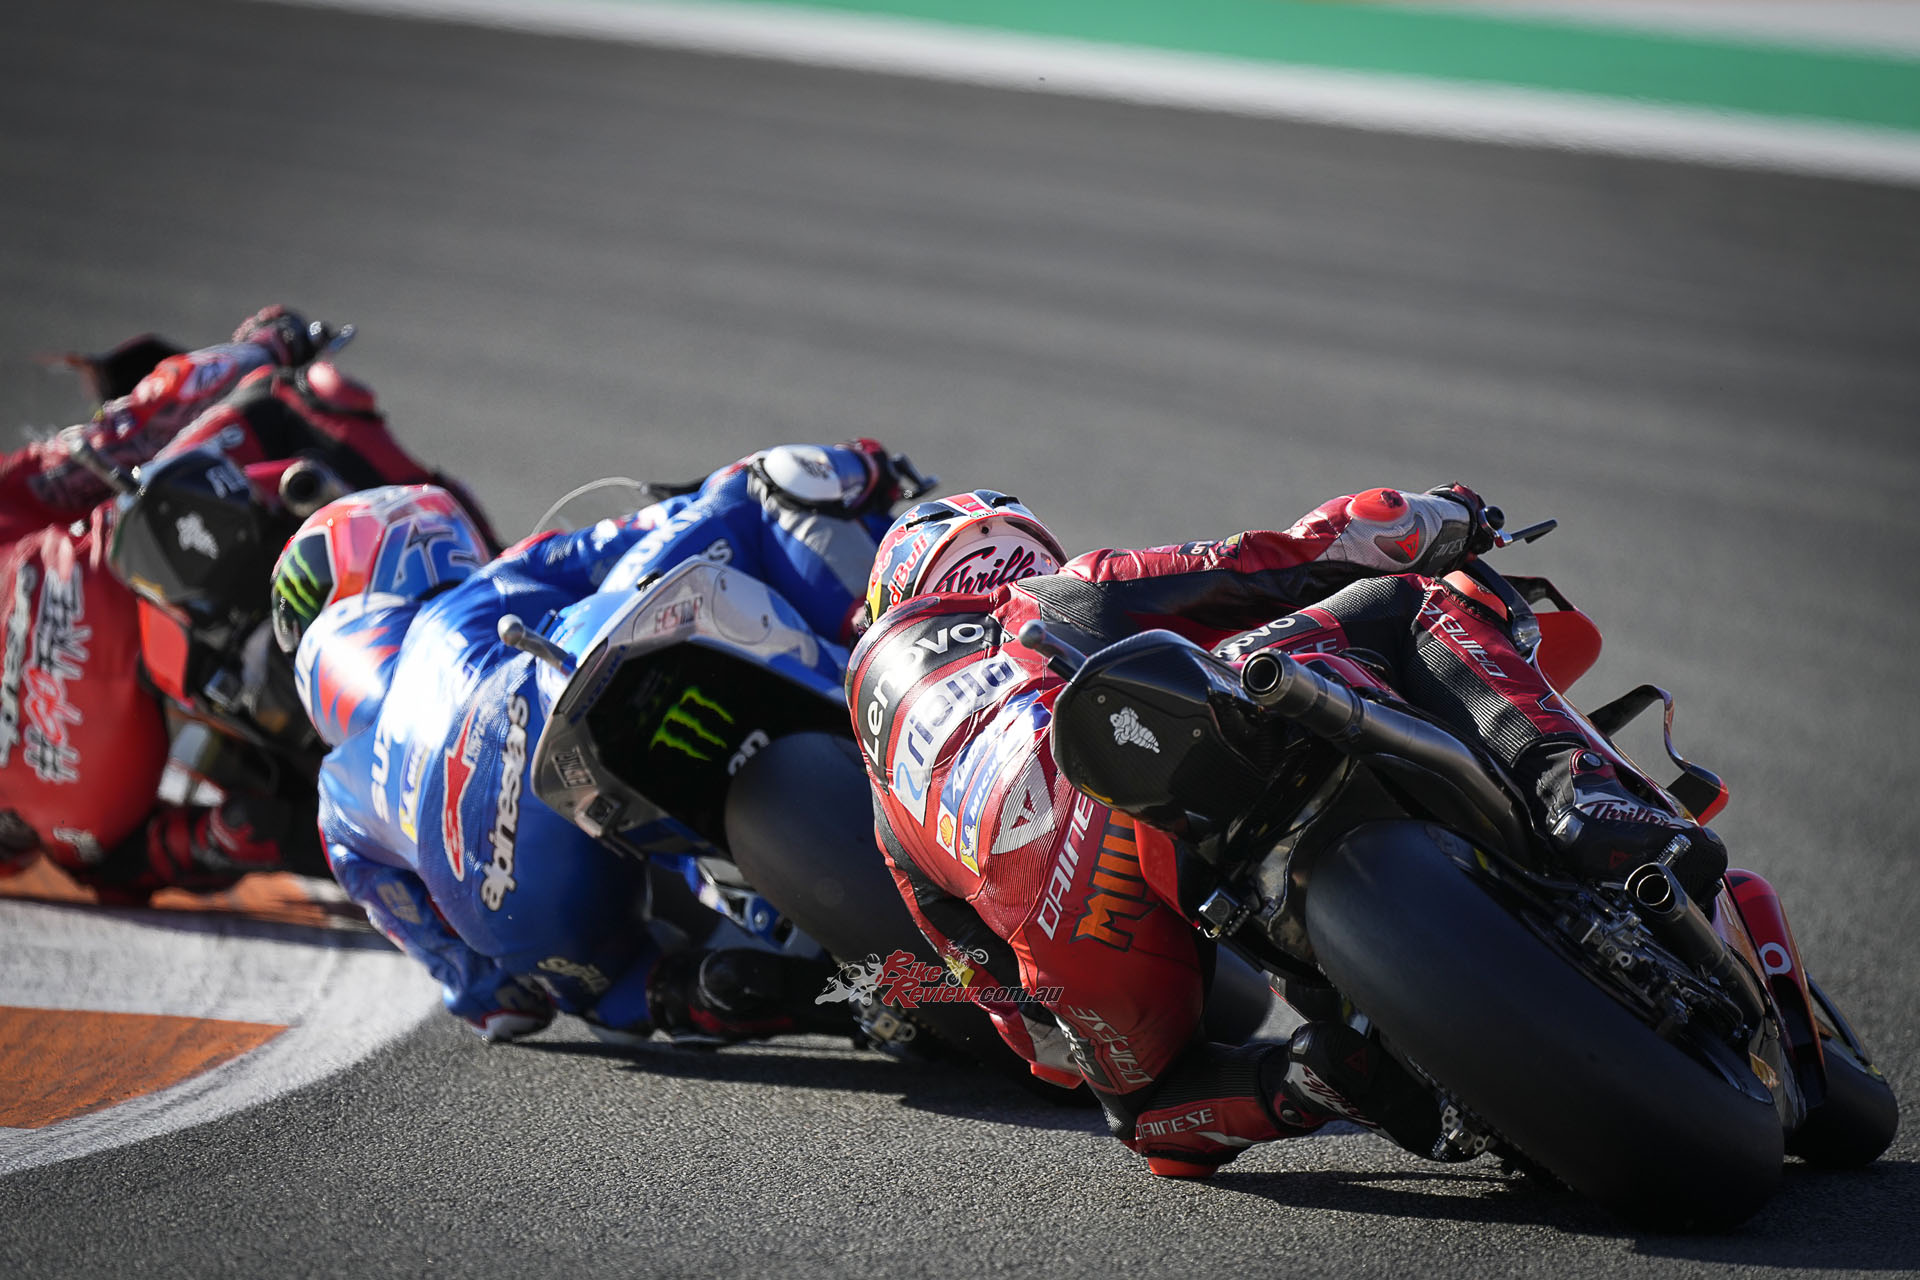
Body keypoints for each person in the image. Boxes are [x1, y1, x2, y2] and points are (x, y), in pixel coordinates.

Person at [848, 484, 1728, 1176]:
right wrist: (1440, 517)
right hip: (1141, 765)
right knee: (1400, 602)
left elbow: (1025, 1030)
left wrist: (1081, 1025)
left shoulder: (889, 810)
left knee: (1148, 1119)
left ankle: (1309, 1080)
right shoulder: (1039, 598)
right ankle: (1588, 799)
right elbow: (1274, 560)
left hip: (1079, 930)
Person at [273, 441, 933, 1041]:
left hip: (505, 903)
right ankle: (908, 676)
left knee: (620, 990)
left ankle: (748, 993)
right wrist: (861, 469)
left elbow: (500, 1003)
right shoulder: (485, 588)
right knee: (761, 486)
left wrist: (497, 975)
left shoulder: (338, 798)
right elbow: (665, 526)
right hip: (526, 698)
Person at [0, 307, 491, 902]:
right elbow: (131, 863)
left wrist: (263, 352)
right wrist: (224, 838)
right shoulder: (64, 834)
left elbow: (105, 446)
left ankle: (499, 572)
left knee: (301, 402)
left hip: (183, 549)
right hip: (228, 705)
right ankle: (436, 868)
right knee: (281, 824)